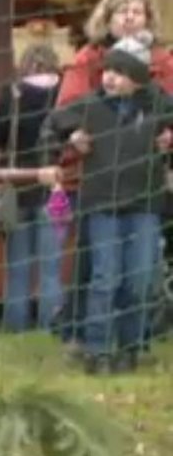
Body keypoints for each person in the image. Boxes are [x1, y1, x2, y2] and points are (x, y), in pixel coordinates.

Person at [40, 36, 173, 375]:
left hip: (144, 204)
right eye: (108, 70)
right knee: (104, 277)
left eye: (120, 72)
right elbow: (50, 127)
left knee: (141, 278)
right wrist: (69, 139)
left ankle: (131, 347)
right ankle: (97, 348)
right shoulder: (88, 106)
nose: (110, 78)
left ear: (139, 77)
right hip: (102, 205)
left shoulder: (159, 104)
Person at [0, 44, 63, 333]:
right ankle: (49, 325)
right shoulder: (64, 93)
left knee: (18, 265)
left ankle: (15, 326)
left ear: (24, 64)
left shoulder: (13, 93)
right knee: (52, 267)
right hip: (56, 188)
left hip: (17, 188)